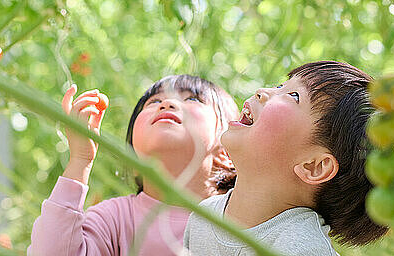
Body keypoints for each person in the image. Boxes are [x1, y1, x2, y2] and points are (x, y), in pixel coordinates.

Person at [183, 61, 389, 255]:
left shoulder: (303, 248)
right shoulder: (203, 215)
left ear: (314, 166)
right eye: (279, 85)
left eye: (293, 95)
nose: (262, 92)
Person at [28, 74, 238, 256]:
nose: (167, 104)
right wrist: (80, 160)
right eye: (154, 102)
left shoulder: (242, 214)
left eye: (192, 98)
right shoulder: (115, 218)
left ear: (228, 153)